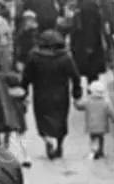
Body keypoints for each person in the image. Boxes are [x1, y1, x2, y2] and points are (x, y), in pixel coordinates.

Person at [21, 28, 81, 159]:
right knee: (61, 120)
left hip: (41, 94)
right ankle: (59, 143)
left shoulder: (34, 56)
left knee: (42, 120)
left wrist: (23, 92)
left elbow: (26, 76)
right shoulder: (65, 57)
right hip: (61, 95)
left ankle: (47, 139)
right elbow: (75, 76)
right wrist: (77, 93)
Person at [74, 79, 114, 160]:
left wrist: (75, 102)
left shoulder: (88, 102)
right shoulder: (105, 103)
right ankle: (100, 151)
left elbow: (79, 106)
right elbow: (113, 114)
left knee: (93, 138)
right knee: (101, 138)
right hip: (102, 127)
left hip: (91, 126)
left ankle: (94, 150)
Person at [69, 0, 104, 85]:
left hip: (85, 43)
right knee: (91, 70)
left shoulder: (86, 6)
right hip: (86, 42)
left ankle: (90, 88)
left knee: (89, 68)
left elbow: (91, 26)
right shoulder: (89, 6)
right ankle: (91, 88)